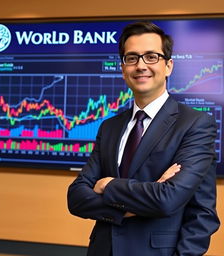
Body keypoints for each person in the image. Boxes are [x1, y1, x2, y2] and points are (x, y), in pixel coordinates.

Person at [67, 21, 220, 256]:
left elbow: (177, 204)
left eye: (151, 57)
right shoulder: (109, 127)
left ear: (168, 66)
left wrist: (107, 185)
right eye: (132, 58)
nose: (140, 66)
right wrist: (130, 207)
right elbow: (76, 197)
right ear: (122, 68)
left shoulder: (195, 124)